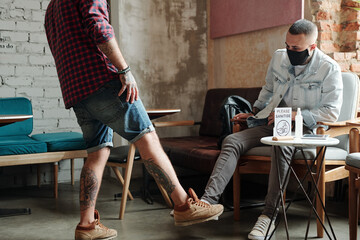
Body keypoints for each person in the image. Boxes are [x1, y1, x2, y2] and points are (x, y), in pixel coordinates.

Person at [44, 1, 223, 240]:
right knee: (147, 138)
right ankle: (183, 206)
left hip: (77, 91)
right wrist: (124, 70)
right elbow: (99, 27)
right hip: (103, 81)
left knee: (97, 153)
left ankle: (86, 225)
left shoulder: (52, 7)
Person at [199, 19, 343, 240]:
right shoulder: (279, 57)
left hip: (303, 130)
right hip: (272, 122)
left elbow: (331, 112)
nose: (289, 51)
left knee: (281, 144)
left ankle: (268, 216)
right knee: (232, 140)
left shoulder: (329, 68)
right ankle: (207, 202)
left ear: (312, 47)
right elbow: (268, 89)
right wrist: (255, 112)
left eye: (296, 48)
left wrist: (297, 115)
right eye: (287, 45)